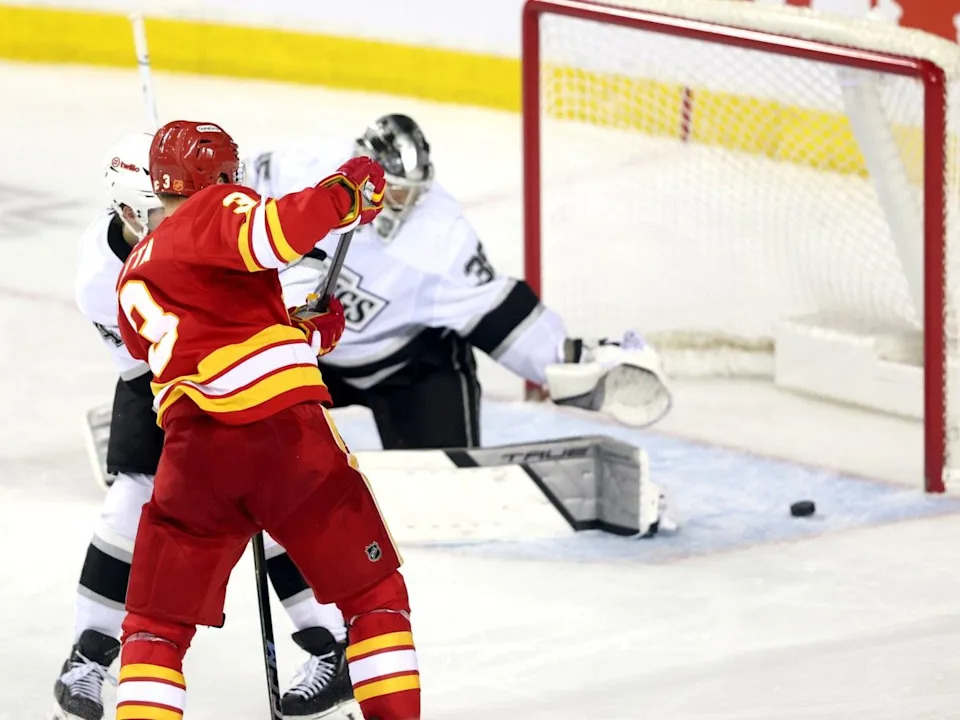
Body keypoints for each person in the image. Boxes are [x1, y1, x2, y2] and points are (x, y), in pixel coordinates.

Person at [54, 132, 367, 720]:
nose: (170, 216)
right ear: (123, 211)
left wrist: (302, 323)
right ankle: (90, 651)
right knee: (130, 503)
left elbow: (288, 267)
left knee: (278, 505)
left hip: (242, 365)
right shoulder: (98, 274)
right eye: (152, 211)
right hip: (161, 381)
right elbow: (143, 365)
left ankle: (331, 648)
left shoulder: (207, 215)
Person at [113, 119, 418, 720]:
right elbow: (274, 235)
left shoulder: (134, 272)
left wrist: (299, 329)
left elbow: (206, 339)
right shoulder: (215, 208)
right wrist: (344, 195)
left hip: (192, 458)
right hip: (285, 439)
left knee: (154, 627)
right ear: (223, 176)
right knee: (373, 598)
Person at [247, 114, 672, 451]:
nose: (402, 204)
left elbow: (497, 310)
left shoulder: (441, 233)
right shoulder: (300, 169)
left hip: (404, 368)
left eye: (411, 192)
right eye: (393, 190)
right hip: (301, 352)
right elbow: (227, 202)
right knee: (229, 416)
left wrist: (571, 359)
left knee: (446, 481)